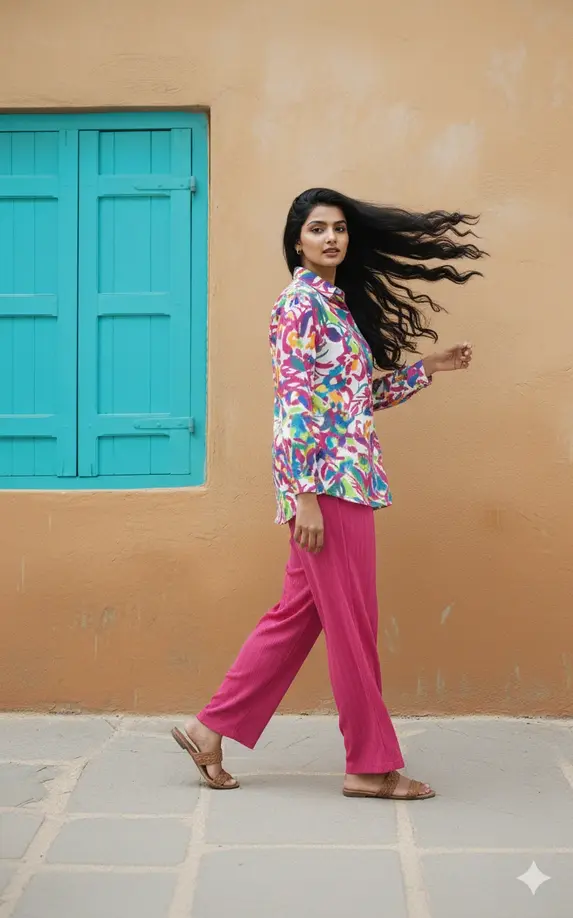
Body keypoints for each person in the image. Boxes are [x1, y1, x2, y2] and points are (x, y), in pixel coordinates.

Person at [172, 187, 485, 799]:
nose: (332, 237)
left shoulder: (333, 308)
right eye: (318, 229)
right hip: (328, 489)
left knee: (297, 617)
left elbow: (354, 401)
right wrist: (305, 496)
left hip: (345, 481)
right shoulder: (299, 306)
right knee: (353, 627)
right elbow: (293, 405)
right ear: (297, 241)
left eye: (339, 228)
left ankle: (208, 729)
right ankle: (368, 765)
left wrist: (429, 368)